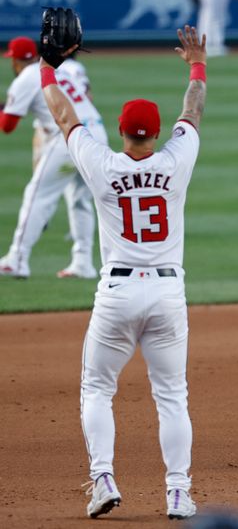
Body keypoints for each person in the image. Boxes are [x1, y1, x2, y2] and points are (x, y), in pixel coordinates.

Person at [40, 25, 207, 519]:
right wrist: (196, 62)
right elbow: (193, 108)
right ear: (157, 133)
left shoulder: (102, 164)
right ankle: (178, 491)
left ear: (119, 130)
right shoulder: (178, 158)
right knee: (172, 398)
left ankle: (104, 479)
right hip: (166, 295)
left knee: (97, 388)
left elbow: (63, 112)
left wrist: (49, 64)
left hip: (115, 293)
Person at [0, 36, 107, 279]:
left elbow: (7, 125)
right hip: (96, 135)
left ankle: (17, 258)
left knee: (37, 194)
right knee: (80, 199)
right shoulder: (60, 72)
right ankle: (82, 262)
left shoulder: (26, 77)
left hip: (69, 138)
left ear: (15, 61)